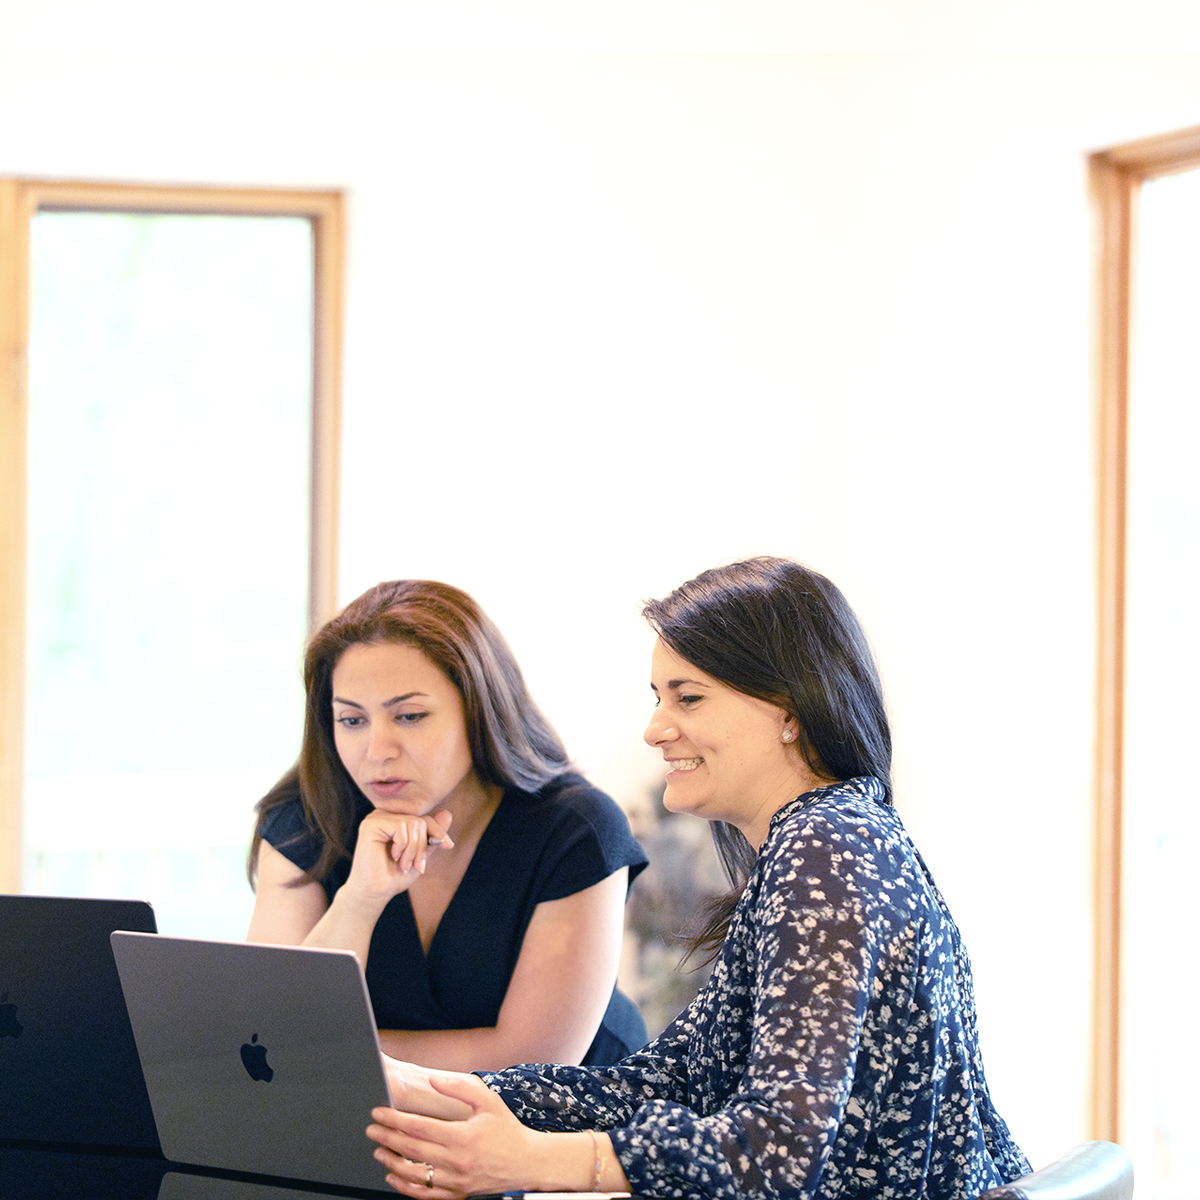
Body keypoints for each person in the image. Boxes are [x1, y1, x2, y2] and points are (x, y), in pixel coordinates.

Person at [365, 557, 1031, 1200]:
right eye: (659, 698)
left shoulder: (825, 851)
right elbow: (676, 1080)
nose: (656, 729)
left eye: (689, 697)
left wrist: (535, 1159)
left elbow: (773, 1152)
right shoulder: (827, 836)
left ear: (790, 711)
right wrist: (426, 1089)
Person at [246, 579, 648, 1071]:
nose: (377, 752)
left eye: (410, 716)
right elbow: (269, 1034)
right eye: (352, 721)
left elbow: (532, 1061)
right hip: (372, 1122)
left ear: (479, 709)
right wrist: (360, 900)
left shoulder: (577, 830)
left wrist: (325, 1056)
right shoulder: (305, 819)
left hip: (562, 1122)